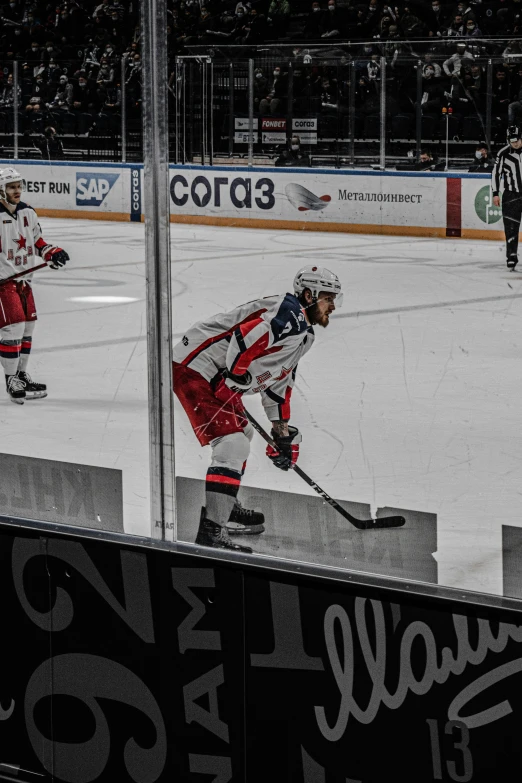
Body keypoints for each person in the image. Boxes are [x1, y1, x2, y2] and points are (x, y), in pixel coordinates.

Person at [172, 266, 343, 553]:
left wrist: (281, 433)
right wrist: (236, 378)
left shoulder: (303, 334)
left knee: (245, 433)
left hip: (214, 371)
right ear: (308, 295)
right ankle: (211, 532)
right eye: (328, 298)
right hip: (194, 365)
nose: (333, 306)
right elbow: (244, 339)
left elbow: (279, 383)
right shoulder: (289, 314)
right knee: (232, 443)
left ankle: (225, 507)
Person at [0, 168, 69, 404]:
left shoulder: (28, 212)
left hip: (24, 281)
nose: (17, 190)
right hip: (4, 283)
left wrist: (52, 252)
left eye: (18, 185)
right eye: (11, 187)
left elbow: (38, 242)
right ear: (1, 190)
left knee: (28, 327)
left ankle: (21, 375)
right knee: (12, 329)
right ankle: (11, 380)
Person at [492, 126, 522, 270]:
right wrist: (495, 193)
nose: (514, 143)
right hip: (511, 195)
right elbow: (496, 174)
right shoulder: (503, 153)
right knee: (511, 228)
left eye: (517, 140)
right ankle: (511, 257)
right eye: (511, 141)